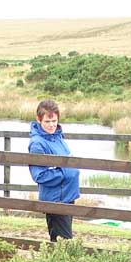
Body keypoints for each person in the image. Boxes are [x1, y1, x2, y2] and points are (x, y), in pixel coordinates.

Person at [28, 99, 80, 241]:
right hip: (55, 199)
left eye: (54, 121)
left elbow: (68, 160)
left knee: (63, 241)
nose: (51, 125)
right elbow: (40, 175)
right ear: (38, 120)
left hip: (68, 196)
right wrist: (67, 172)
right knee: (62, 241)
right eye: (47, 122)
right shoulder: (37, 144)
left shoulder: (58, 137)